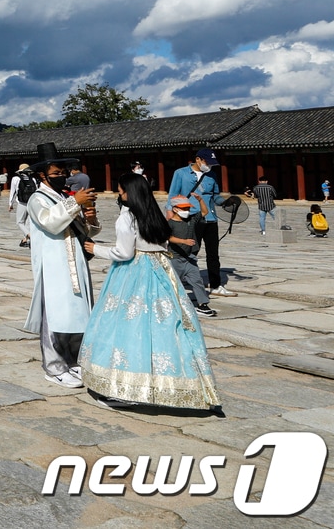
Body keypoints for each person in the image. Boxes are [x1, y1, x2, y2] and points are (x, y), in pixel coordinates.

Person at [78, 172, 220, 411]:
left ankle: (124, 389)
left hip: (133, 275)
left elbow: (124, 253)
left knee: (127, 328)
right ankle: (184, 385)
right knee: (167, 328)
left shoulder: (127, 218)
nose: (119, 195)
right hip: (162, 272)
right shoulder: (155, 215)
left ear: (128, 194)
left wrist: (96, 248)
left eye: (121, 191)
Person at [23, 143, 97, 389]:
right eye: (56, 174)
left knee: (78, 313)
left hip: (75, 261)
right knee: (54, 315)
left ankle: (73, 360)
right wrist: (75, 201)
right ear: (42, 175)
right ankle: (54, 367)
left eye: (63, 172)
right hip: (53, 264)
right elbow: (50, 223)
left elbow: (86, 230)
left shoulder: (64, 196)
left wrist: (91, 216)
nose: (62, 177)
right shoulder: (37, 199)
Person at [168, 148, 234, 296]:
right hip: (190, 217)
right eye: (207, 162)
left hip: (210, 218)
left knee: (213, 253)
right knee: (189, 251)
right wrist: (170, 214)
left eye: (212, 164)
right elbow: (172, 195)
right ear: (198, 159)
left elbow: (215, 197)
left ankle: (216, 285)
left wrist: (225, 202)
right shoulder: (181, 173)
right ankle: (181, 280)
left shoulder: (212, 175)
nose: (209, 166)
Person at [166, 197, 215, 316]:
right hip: (175, 259)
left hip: (189, 258)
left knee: (197, 280)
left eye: (188, 208)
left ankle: (202, 304)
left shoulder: (191, 220)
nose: (187, 211)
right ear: (175, 209)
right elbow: (168, 237)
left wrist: (200, 200)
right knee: (173, 283)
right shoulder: (170, 224)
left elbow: (204, 212)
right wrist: (183, 241)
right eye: (184, 208)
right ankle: (169, 303)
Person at [8, 163, 32, 248]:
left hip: (22, 202)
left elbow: (13, 192)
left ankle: (30, 237)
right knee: (29, 223)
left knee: (20, 222)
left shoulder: (16, 178)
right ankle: (25, 240)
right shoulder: (32, 178)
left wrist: (10, 203)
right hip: (32, 203)